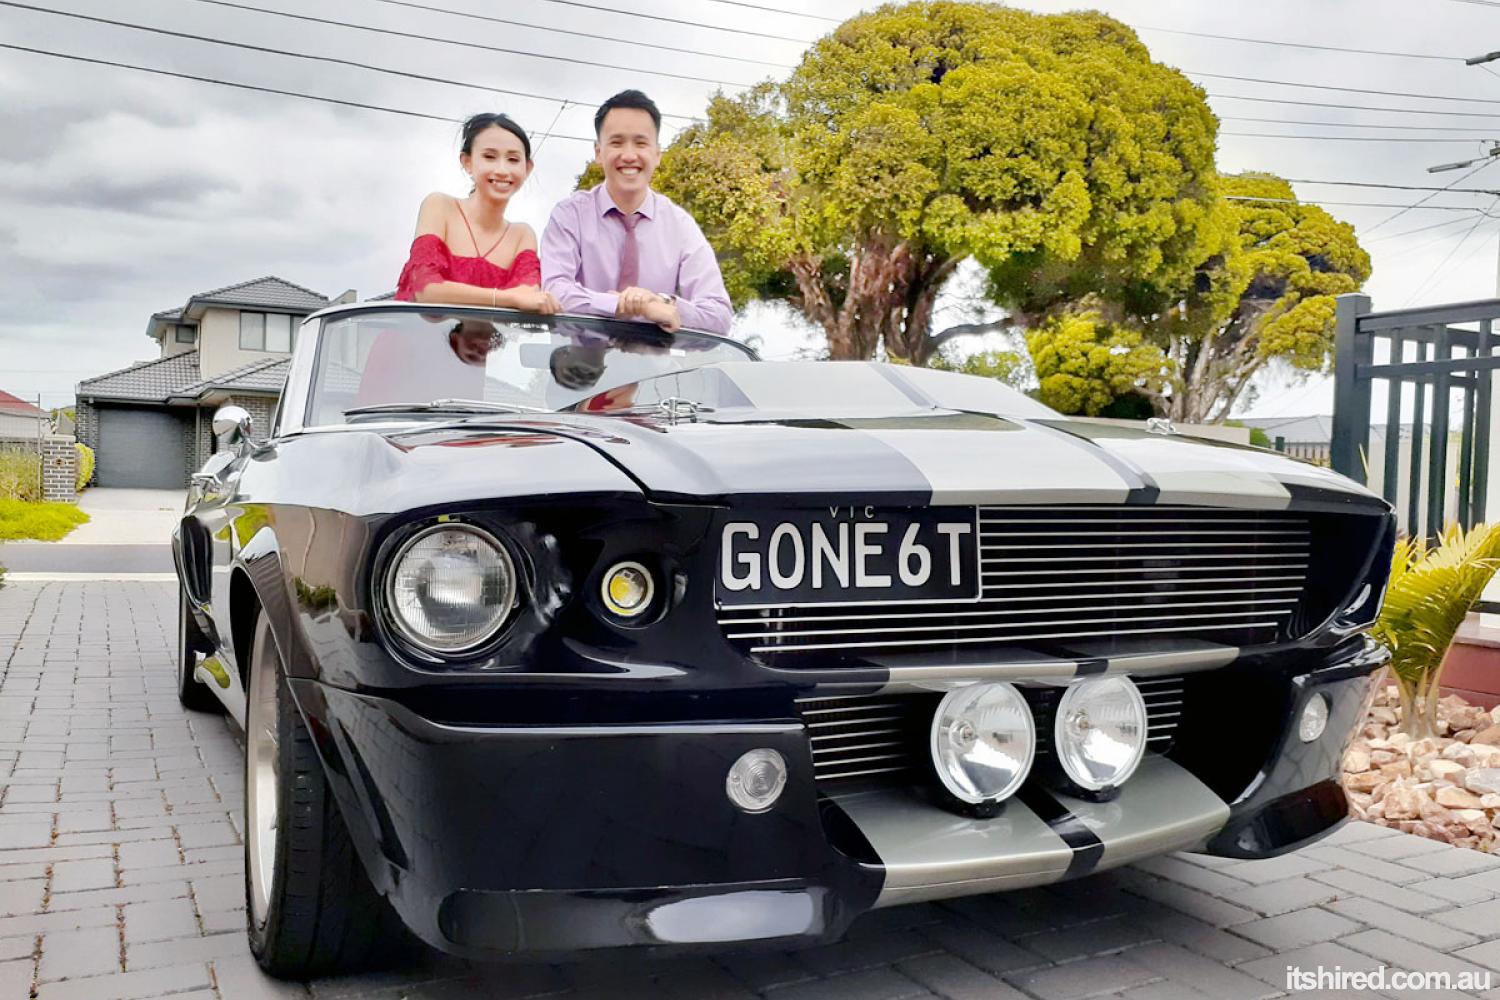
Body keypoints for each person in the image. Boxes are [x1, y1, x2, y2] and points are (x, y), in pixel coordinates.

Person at [541, 90, 732, 335]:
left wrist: (663, 304)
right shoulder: (569, 215)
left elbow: (719, 315)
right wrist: (625, 306)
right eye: (617, 142)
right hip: (579, 368)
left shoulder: (680, 225)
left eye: (641, 143)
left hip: (655, 370)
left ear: (657, 154)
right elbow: (554, 291)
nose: (629, 156)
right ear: (598, 152)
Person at [396, 113, 561, 313]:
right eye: (489, 157)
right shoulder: (439, 206)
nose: (502, 169)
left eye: (513, 159)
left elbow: (529, 297)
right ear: (467, 162)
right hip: (413, 339)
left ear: (527, 168)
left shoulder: (522, 234)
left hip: (475, 345)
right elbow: (425, 288)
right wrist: (508, 297)